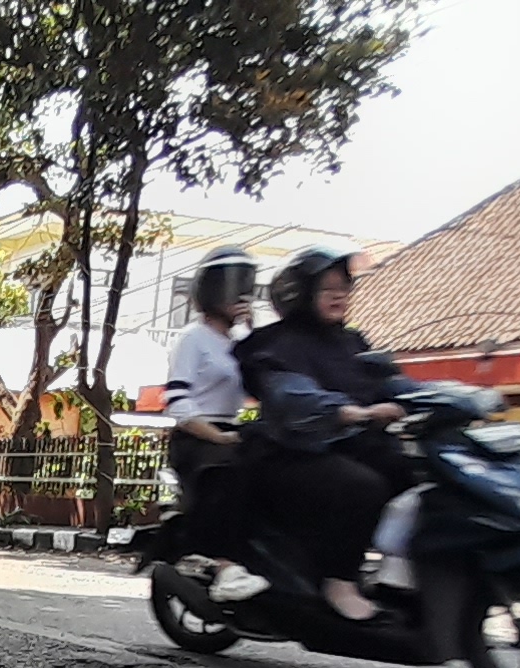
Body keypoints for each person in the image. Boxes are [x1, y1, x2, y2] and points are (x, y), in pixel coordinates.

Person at [234, 246, 414, 622]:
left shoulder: (352, 343)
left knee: (417, 472)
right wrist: (349, 412)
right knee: (362, 487)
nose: (339, 295)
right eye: (328, 287)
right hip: (290, 453)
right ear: (298, 293)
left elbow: (392, 384)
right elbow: (291, 394)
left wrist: (456, 398)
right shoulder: (273, 343)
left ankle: (400, 576)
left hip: (350, 446)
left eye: (344, 287)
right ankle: (339, 582)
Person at [162, 246, 269, 603]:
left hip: (232, 430)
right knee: (230, 476)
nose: (240, 293)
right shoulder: (193, 338)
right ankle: (224, 567)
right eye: (231, 284)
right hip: (198, 437)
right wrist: (216, 437)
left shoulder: (240, 343)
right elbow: (177, 401)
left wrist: (253, 335)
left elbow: (264, 386)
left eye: (246, 284)